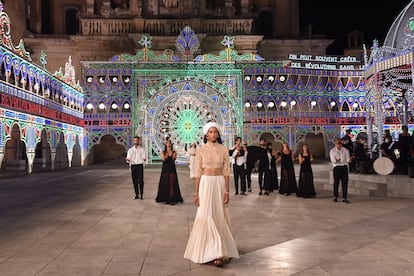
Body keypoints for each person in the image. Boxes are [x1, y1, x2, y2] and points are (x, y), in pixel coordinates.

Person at [184, 122, 239, 267]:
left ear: (218, 134)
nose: (213, 134)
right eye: (210, 132)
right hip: (206, 184)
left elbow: (227, 172)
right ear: (206, 134)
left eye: (215, 132)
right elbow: (198, 172)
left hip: (219, 183)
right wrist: (196, 193)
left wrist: (227, 190)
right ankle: (212, 250)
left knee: (219, 214)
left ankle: (219, 251)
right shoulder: (201, 150)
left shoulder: (223, 149)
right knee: (206, 214)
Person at [155, 139, 183, 205]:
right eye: (167, 143)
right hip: (165, 169)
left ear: (171, 144)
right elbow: (163, 159)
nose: (168, 144)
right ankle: (165, 198)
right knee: (165, 183)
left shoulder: (174, 152)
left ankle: (172, 197)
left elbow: (174, 158)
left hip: (172, 168)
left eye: (169, 143)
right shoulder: (163, 152)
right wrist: (166, 155)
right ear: (165, 144)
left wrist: (173, 154)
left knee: (172, 183)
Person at [330, 138, 351, 203]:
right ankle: (335, 196)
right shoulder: (332, 151)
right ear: (335, 144)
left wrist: (349, 160)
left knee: (344, 182)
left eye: (340, 143)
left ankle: (344, 197)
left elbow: (347, 159)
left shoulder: (345, 150)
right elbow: (333, 160)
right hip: (336, 168)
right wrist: (337, 160)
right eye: (337, 143)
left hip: (344, 167)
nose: (339, 145)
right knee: (336, 182)